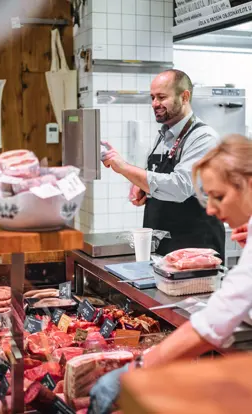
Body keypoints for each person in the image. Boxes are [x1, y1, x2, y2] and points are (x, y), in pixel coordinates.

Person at [90, 134, 252, 413]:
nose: (211, 209)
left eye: (219, 197)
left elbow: (214, 322)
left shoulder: (200, 136)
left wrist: (138, 369)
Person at [102, 69, 225, 260]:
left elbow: (179, 187)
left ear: (184, 96)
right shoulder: (164, 136)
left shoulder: (203, 138)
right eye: (152, 97)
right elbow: (158, 177)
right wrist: (142, 187)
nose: (154, 104)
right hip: (165, 245)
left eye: (161, 97)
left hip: (195, 248)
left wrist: (124, 168)